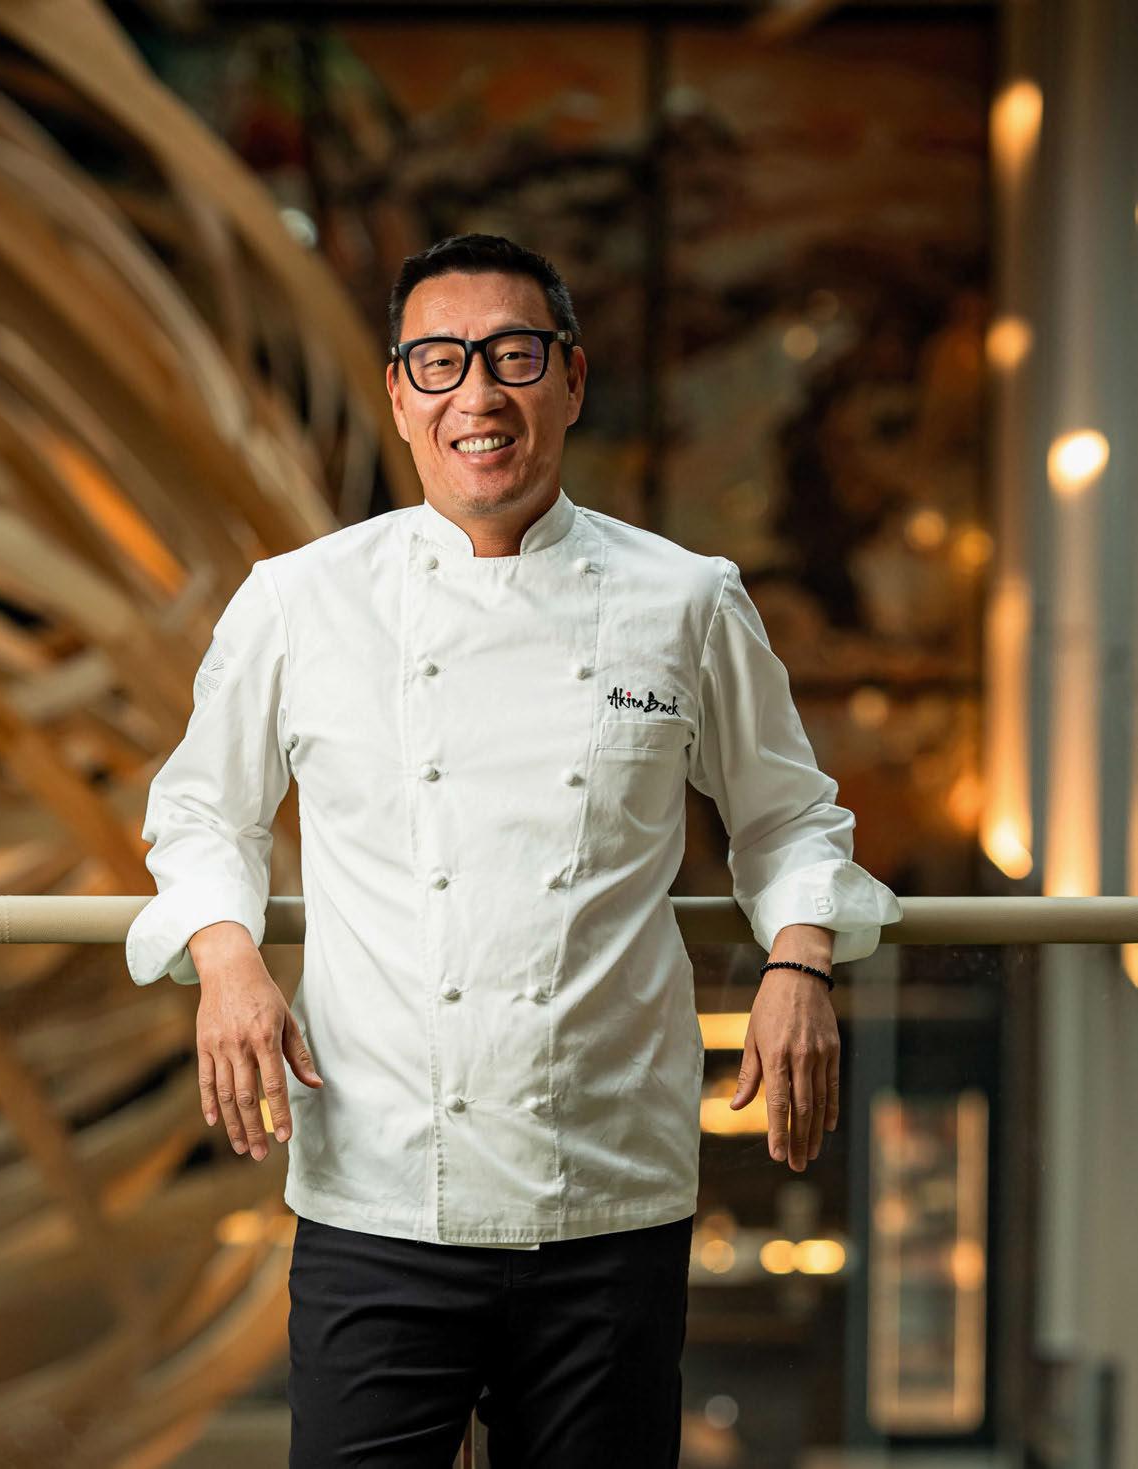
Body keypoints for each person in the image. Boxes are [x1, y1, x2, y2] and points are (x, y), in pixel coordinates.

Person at [126, 233, 902, 1468]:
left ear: (571, 380)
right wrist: (227, 958)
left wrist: (799, 961)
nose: (477, 395)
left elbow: (787, 818)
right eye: (439, 362)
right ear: (399, 393)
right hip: (378, 1192)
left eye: (513, 356)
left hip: (608, 1197)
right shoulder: (297, 598)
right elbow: (199, 814)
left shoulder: (685, 598)